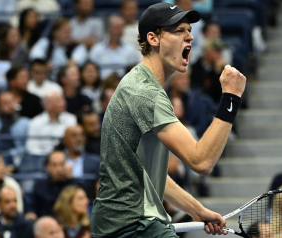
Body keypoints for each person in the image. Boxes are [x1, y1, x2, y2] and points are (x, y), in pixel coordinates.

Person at [91, 3, 246, 237]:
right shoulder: (145, 93)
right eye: (178, 31)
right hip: (130, 224)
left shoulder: (140, 84)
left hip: (120, 224)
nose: (190, 37)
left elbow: (151, 176)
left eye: (189, 30)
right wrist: (231, 98)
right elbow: (201, 161)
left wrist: (197, 210)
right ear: (153, 39)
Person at [0, 92, 30, 168]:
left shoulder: (26, 123)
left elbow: (28, 146)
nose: (9, 106)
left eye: (11, 102)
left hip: (16, 159)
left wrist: (9, 155)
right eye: (5, 103)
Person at [26, 151, 75, 218]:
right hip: (46, 222)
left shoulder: (72, 183)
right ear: (47, 167)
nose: (59, 169)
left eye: (62, 164)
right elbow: (32, 206)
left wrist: (70, 180)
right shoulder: (40, 185)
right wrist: (31, 213)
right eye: (54, 165)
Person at [89, 15, 140, 79]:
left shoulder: (130, 50)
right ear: (109, 29)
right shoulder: (97, 49)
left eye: (122, 27)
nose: (120, 31)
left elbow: (134, 73)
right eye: (117, 27)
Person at [167, 71, 216, 138]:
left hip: (192, 137)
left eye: (186, 78)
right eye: (180, 78)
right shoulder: (164, 98)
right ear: (172, 80)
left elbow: (201, 124)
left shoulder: (196, 98)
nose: (184, 82)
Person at [190, 39, 225, 103]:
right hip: (199, 101)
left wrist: (217, 73)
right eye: (216, 51)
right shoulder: (196, 67)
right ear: (207, 51)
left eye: (219, 52)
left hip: (217, 102)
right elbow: (196, 87)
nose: (219, 54)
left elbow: (220, 92)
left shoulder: (221, 68)